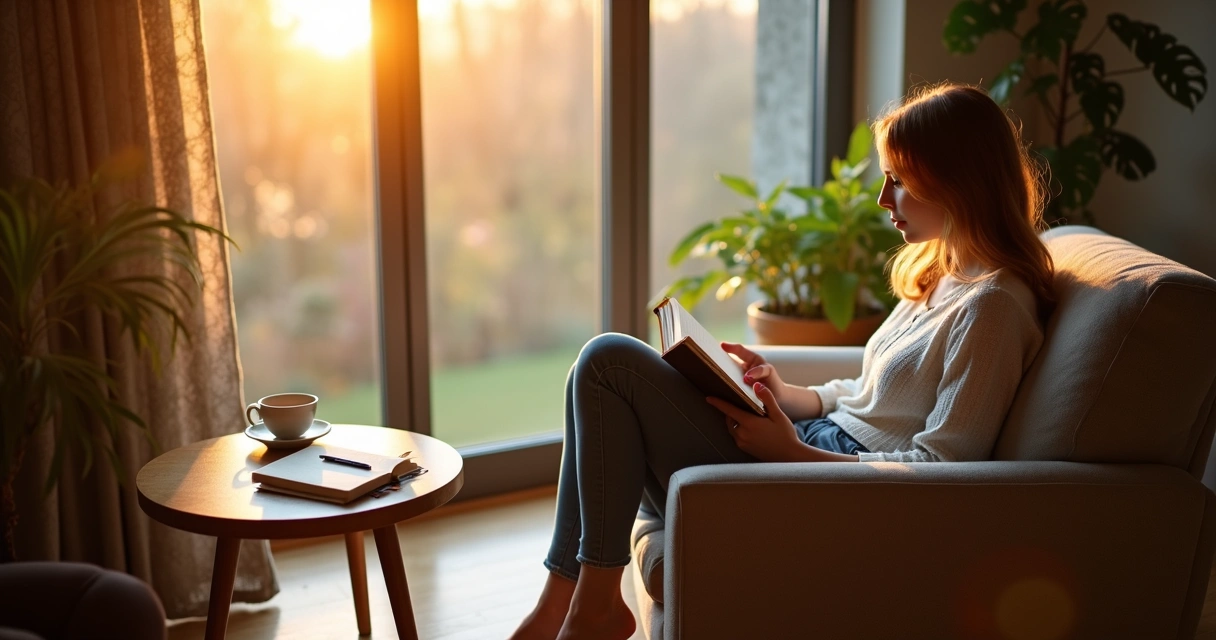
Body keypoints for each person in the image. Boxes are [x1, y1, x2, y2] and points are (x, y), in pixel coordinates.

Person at [509, 83, 1056, 640]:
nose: (883, 199)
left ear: (957, 185)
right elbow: (872, 394)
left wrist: (792, 453)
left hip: (825, 486)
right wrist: (785, 393)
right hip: (811, 445)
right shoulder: (945, 274)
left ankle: (585, 607)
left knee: (609, 363)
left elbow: (944, 469)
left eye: (901, 182)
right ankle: (569, 601)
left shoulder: (995, 307)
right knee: (593, 373)